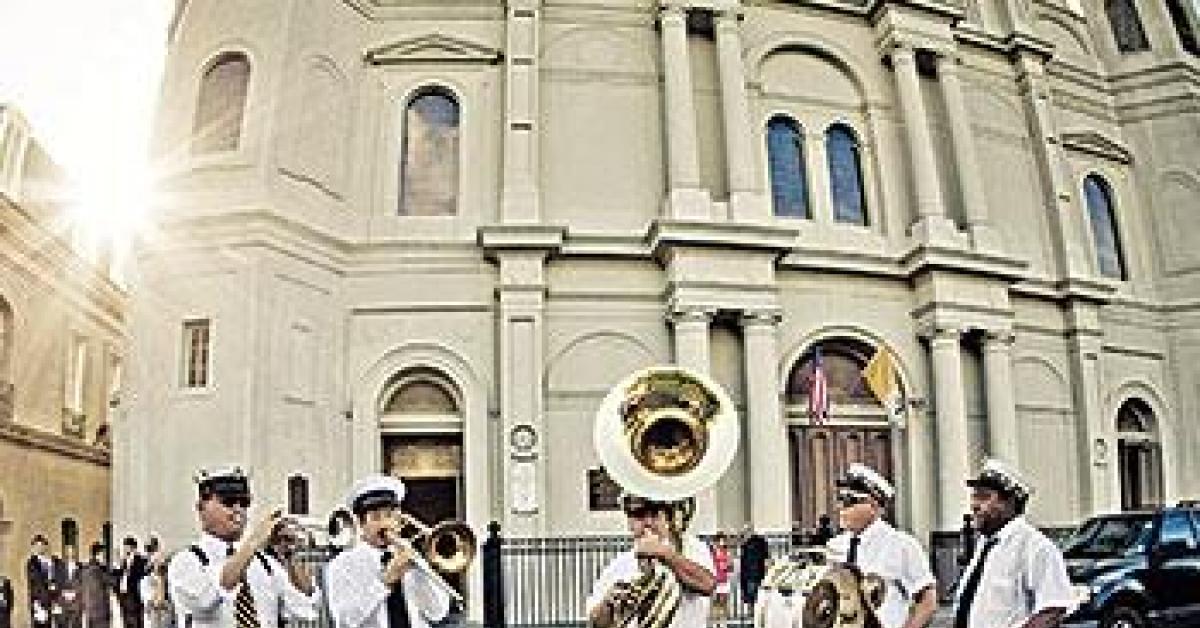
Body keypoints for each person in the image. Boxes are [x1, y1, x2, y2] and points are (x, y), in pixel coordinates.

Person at [167, 466, 319, 628]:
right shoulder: (186, 561)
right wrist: (253, 542)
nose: (238, 510)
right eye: (229, 502)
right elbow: (205, 601)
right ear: (201, 507)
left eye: (244, 503)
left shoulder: (264, 563)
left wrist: (290, 556)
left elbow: (305, 608)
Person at [953, 459, 1075, 628]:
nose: (974, 505)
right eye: (974, 496)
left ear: (1009, 502)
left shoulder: (1035, 546)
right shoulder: (985, 544)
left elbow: (1053, 609)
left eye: (984, 497)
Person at [325, 474, 451, 628]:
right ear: (360, 523)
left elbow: (438, 613)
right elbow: (344, 620)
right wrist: (385, 582)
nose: (385, 523)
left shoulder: (410, 557)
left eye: (390, 516)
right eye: (376, 517)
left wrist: (419, 573)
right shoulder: (342, 564)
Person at [826, 463, 937, 628]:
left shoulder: (901, 544)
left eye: (850, 502)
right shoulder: (835, 545)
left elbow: (927, 600)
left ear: (874, 507)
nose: (841, 508)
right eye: (840, 500)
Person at [585, 494, 715, 628]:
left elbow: (707, 584)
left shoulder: (692, 548)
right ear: (629, 523)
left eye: (654, 514)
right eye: (639, 516)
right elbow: (594, 623)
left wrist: (663, 552)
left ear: (668, 520)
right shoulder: (619, 565)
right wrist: (608, 604)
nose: (647, 522)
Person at [113, 538, 148, 628]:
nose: (124, 549)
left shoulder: (141, 561)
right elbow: (116, 577)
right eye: (124, 547)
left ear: (133, 548)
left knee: (137, 622)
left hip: (135, 596)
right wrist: (118, 565)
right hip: (123, 596)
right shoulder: (123, 562)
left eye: (126, 547)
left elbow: (140, 577)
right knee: (126, 621)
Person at [27, 535, 58, 628]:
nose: (39, 548)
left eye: (41, 545)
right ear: (33, 547)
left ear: (45, 546)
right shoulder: (32, 563)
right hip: (39, 601)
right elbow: (36, 584)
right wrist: (39, 605)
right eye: (37, 546)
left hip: (52, 600)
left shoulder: (52, 561)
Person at [81, 543, 114, 628]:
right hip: (100, 611)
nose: (105, 557)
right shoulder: (98, 569)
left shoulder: (85, 568)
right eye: (104, 555)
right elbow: (112, 581)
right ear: (99, 554)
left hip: (90, 611)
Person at [738, 524, 768, 607]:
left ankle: (753, 612)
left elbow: (765, 558)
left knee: (752, 596)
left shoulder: (752, 543)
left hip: (752, 574)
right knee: (753, 595)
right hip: (753, 573)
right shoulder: (748, 543)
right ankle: (753, 612)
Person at [55, 545, 83, 628]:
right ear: (65, 553)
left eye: (72, 551)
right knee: (62, 625)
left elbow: (84, 583)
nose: (70, 554)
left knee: (76, 625)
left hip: (76, 603)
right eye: (68, 551)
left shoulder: (82, 567)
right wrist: (62, 593)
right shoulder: (59, 567)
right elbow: (56, 583)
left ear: (75, 552)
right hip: (62, 603)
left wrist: (75, 593)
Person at [709, 532, 731, 619]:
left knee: (724, 597)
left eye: (723, 541)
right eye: (719, 541)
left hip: (724, 578)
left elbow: (730, 565)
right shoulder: (712, 552)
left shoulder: (726, 552)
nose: (721, 543)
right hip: (715, 578)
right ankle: (716, 614)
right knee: (716, 598)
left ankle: (724, 614)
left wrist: (727, 565)